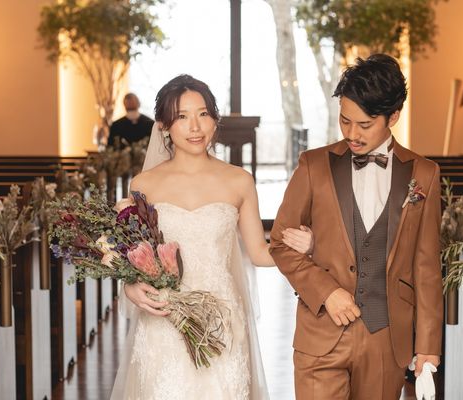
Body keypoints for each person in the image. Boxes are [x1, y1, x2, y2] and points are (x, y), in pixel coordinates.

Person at [110, 75, 314, 400]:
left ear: (215, 120)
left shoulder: (239, 181)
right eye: (182, 116)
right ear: (164, 126)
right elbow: (135, 257)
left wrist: (305, 247)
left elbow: (260, 253)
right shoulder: (144, 185)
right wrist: (130, 285)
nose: (195, 127)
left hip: (222, 319)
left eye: (203, 114)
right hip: (165, 319)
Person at [270, 54, 443, 399]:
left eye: (364, 125)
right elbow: (279, 243)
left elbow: (426, 268)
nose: (352, 133)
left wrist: (427, 345)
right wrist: (326, 291)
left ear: (393, 116)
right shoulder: (313, 166)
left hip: (385, 339)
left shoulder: (423, 174)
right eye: (345, 120)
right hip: (321, 335)